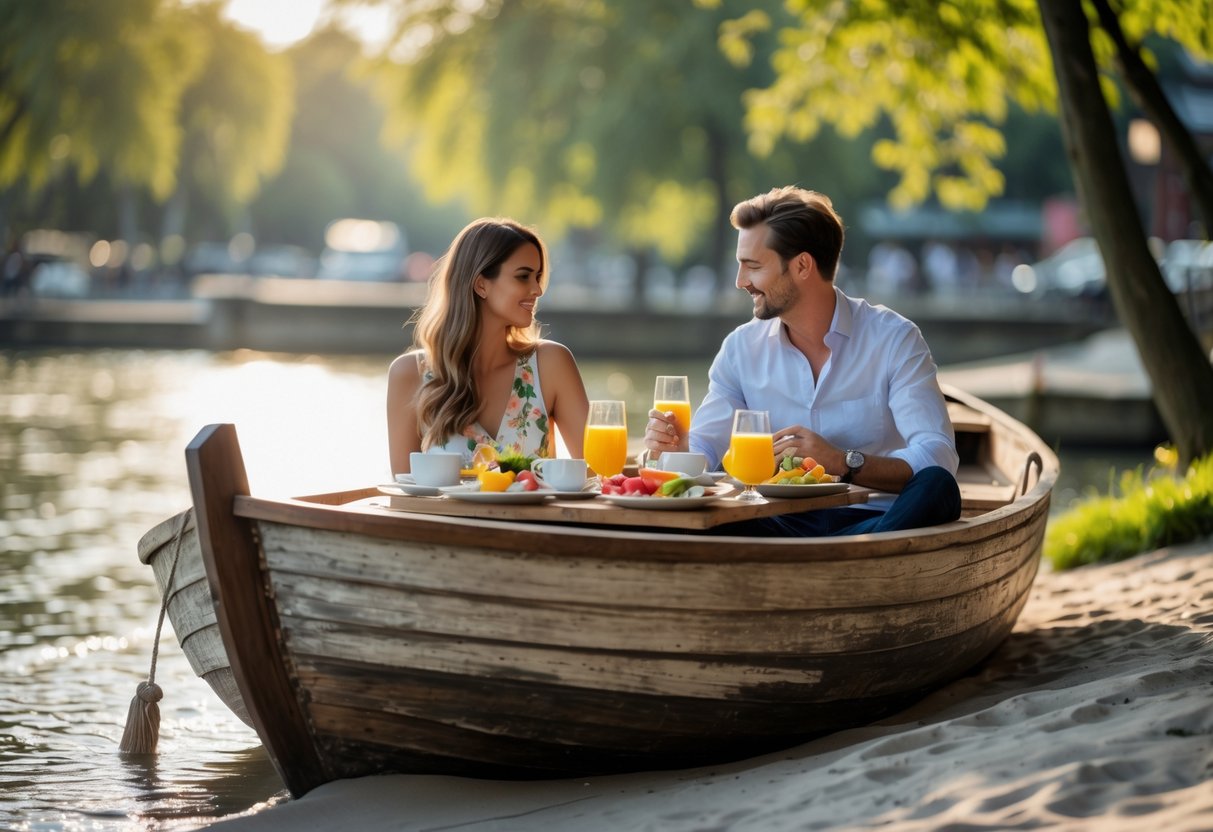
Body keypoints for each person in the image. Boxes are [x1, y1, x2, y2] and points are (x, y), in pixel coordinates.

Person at [644, 186, 960, 536]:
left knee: (937, 487)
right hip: (776, 521)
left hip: (874, 517)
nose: (740, 282)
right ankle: (843, 559)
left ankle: (831, 555)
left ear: (802, 265)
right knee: (704, 520)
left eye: (753, 266)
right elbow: (704, 449)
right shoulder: (740, 349)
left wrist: (842, 461)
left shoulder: (894, 339)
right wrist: (678, 448)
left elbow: (937, 456)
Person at [387, 218, 589, 475]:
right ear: (481, 284)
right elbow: (405, 494)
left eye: (537, 277)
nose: (537, 289)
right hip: (443, 518)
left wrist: (655, 450)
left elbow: (597, 475)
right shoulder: (410, 374)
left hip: (538, 517)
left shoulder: (550, 363)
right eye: (523, 276)